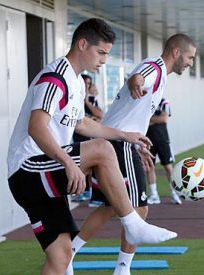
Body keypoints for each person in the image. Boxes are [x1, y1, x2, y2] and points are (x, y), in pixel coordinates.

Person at [7, 18, 177, 275]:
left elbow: (82, 124)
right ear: (82, 44)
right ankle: (132, 222)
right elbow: (37, 127)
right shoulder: (55, 77)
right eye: (101, 53)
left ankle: (131, 222)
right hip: (28, 168)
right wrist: (67, 163)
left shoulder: (75, 82)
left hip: (41, 175)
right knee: (102, 149)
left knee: (61, 258)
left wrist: (124, 135)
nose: (104, 60)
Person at [67, 33, 196, 275]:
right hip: (117, 143)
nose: (191, 63)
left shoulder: (160, 75)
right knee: (139, 208)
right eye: (190, 57)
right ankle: (122, 268)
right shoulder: (154, 67)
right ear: (176, 52)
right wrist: (135, 81)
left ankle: (70, 253)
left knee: (111, 207)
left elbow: (134, 111)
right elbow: (139, 77)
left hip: (119, 142)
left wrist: (138, 145)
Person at [146, 98, 182, 205]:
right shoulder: (145, 101)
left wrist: (150, 120)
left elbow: (164, 118)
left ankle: (174, 193)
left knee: (168, 167)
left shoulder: (163, 102)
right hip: (148, 140)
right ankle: (154, 195)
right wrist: (153, 120)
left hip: (162, 140)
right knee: (149, 166)